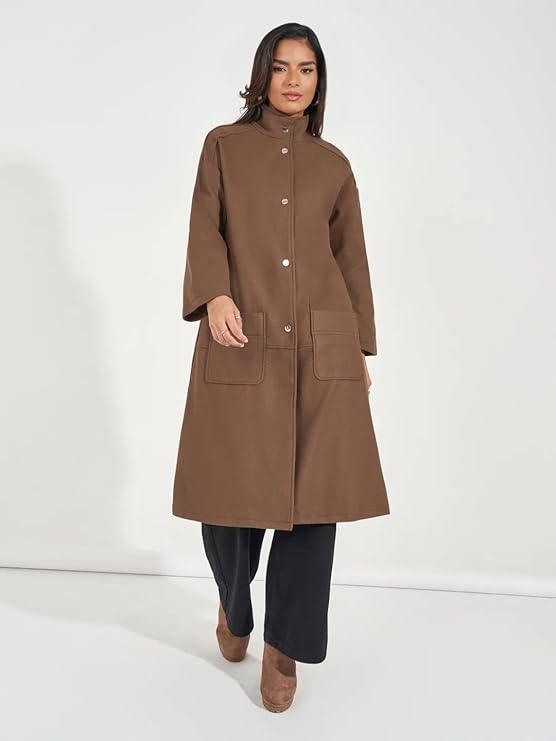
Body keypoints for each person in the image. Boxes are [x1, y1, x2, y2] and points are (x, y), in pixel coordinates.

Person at [172, 22, 390, 712]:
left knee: (314, 508)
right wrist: (214, 293)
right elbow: (205, 226)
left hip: (322, 350)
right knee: (227, 502)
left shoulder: (334, 165)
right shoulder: (224, 146)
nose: (294, 80)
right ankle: (235, 604)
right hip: (245, 337)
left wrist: (356, 350)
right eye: (282, 67)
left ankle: (283, 647)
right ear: (261, 74)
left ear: (319, 82)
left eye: (307, 69)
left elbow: (351, 260)